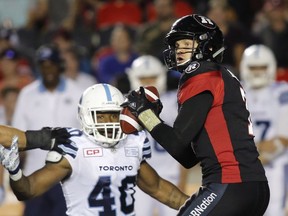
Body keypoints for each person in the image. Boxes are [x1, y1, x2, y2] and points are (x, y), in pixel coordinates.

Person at [121, 14, 270, 215]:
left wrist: (145, 114)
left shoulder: (201, 74)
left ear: (207, 46)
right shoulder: (220, 75)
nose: (179, 49)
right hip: (251, 187)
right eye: (177, 44)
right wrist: (153, 120)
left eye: (186, 43)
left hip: (230, 184)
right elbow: (188, 157)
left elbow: (177, 141)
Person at [0, 83, 189, 215]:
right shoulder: (73, 147)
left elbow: (160, 190)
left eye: (113, 115)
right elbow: (28, 190)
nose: (109, 122)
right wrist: (15, 173)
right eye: (101, 116)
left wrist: (202, 207)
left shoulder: (132, 144)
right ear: (86, 116)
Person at [11, 43, 83, 216]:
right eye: (44, 65)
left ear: (60, 65)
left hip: (68, 177)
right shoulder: (27, 94)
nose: (48, 69)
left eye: (51, 64)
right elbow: (18, 135)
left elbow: (86, 135)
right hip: (35, 176)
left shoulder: (78, 92)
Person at [118, 55, 189, 216]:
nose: (148, 82)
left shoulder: (175, 102)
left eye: (153, 77)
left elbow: (183, 145)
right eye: (143, 78)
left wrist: (183, 179)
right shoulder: (123, 105)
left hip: (171, 175)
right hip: (139, 176)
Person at [239, 44, 288, 216]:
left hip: (273, 166)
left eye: (262, 66)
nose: (258, 71)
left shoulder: (282, 92)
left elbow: (283, 139)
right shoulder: (235, 92)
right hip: (243, 168)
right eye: (253, 67)